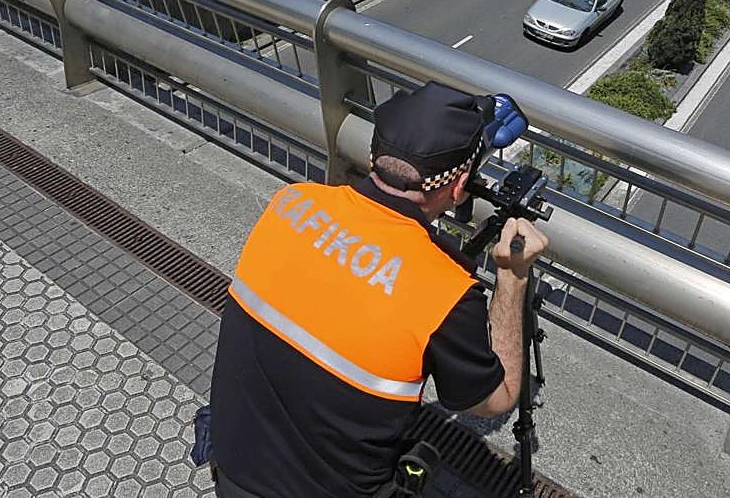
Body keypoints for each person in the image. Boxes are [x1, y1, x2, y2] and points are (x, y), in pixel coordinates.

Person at [207, 81, 549, 498]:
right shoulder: (446, 292)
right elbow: (497, 400)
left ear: (374, 155)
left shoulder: (291, 202)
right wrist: (512, 278)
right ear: (460, 188)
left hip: (232, 469)